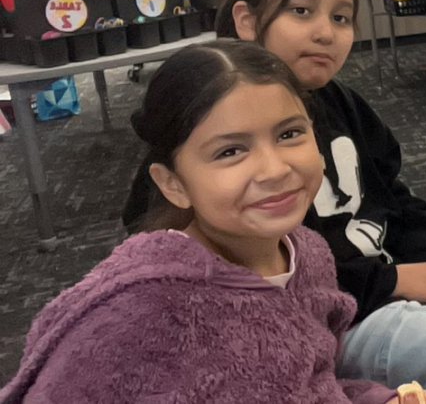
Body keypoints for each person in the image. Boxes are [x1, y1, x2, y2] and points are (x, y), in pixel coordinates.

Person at [122, 0, 426, 404]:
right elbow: (255, 274)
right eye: (301, 11)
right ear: (247, 20)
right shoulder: (203, 118)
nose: (324, 32)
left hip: (383, 267)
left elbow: (392, 196)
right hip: (335, 315)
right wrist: (393, 281)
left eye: (341, 18)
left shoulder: (343, 104)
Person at [2, 41, 401, 403]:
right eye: (230, 151)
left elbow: (311, 380)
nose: (275, 169)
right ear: (173, 184)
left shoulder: (307, 253)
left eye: (290, 134)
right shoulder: (139, 309)